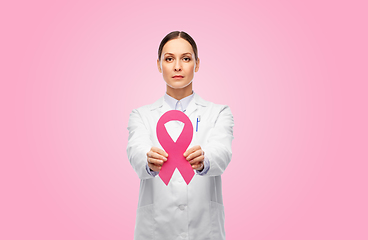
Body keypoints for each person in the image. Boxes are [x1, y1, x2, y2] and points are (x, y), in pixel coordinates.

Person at [126, 31, 234, 240]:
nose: (177, 67)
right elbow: (135, 150)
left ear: (197, 64)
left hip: (204, 229)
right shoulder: (141, 115)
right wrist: (148, 160)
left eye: (186, 58)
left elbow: (222, 151)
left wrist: (205, 160)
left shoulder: (218, 112)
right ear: (159, 65)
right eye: (169, 59)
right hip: (155, 229)